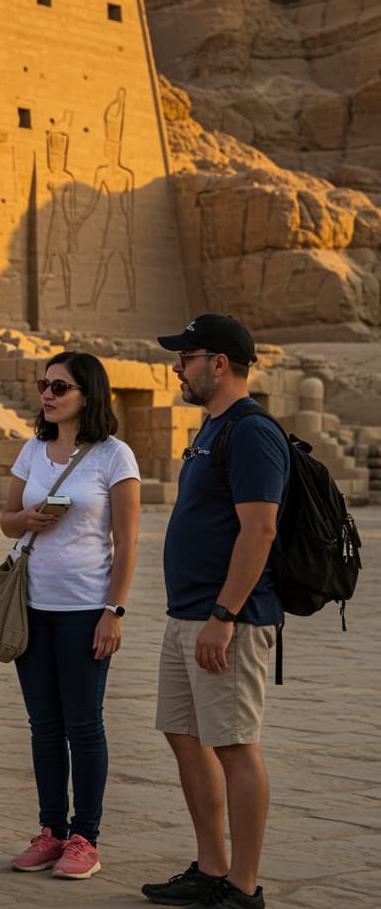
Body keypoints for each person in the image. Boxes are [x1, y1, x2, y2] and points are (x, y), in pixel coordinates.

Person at [143, 314, 288, 909]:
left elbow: (260, 530)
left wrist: (224, 617)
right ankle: (211, 866)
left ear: (218, 363)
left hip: (228, 618)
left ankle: (243, 886)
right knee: (184, 734)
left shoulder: (251, 431)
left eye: (187, 356)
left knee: (234, 745)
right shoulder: (210, 427)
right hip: (190, 613)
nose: (178, 366)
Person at [0, 351, 140, 880]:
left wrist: (114, 610)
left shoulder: (113, 456)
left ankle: (87, 838)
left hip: (86, 610)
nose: (49, 395)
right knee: (43, 725)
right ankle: (51, 830)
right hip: (30, 608)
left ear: (88, 394)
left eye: (60, 387)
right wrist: (28, 517)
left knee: (84, 725)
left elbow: (126, 542)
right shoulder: (33, 449)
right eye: (45, 384)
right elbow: (7, 522)